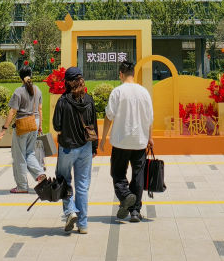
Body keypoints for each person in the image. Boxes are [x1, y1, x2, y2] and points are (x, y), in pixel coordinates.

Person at [102, 59, 154, 223]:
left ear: (121, 74)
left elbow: (109, 116)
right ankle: (135, 212)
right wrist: (150, 137)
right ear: (133, 74)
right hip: (140, 141)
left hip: (120, 141)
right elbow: (149, 118)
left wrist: (103, 138)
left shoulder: (117, 92)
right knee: (138, 176)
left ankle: (125, 196)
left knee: (117, 174)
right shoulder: (144, 92)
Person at [53, 66, 97, 235]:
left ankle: (70, 211)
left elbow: (57, 126)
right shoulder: (89, 100)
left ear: (67, 82)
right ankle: (83, 224)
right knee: (83, 185)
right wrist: (94, 147)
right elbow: (93, 125)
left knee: (63, 180)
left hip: (67, 148)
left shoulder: (63, 101)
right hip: (86, 147)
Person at [2, 65, 46, 194]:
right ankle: (39, 173)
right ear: (31, 75)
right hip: (35, 122)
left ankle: (22, 186)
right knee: (30, 152)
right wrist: (40, 125)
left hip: (23, 124)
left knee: (19, 155)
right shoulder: (38, 90)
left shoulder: (18, 91)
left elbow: (12, 111)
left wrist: (4, 127)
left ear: (20, 77)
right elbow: (40, 109)